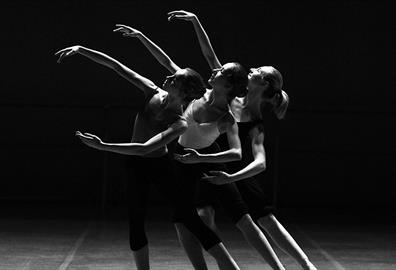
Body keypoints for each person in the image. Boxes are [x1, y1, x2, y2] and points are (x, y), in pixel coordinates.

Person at [55, 42, 240, 270]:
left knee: (188, 217)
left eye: (174, 79)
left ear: (182, 92)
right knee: (136, 220)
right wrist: (82, 50)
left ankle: (229, 265)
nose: (167, 78)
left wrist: (102, 146)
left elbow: (145, 148)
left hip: (160, 166)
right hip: (135, 165)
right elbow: (117, 66)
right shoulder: (152, 90)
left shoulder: (179, 123)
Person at [168, 10, 317, 270]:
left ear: (265, 82)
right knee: (202, 215)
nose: (252, 68)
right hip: (210, 160)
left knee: (263, 219)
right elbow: (209, 54)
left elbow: (259, 163)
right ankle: (221, 264)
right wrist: (196, 21)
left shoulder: (255, 122)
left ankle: (303, 266)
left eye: (258, 70)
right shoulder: (229, 97)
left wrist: (232, 177)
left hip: (235, 169)